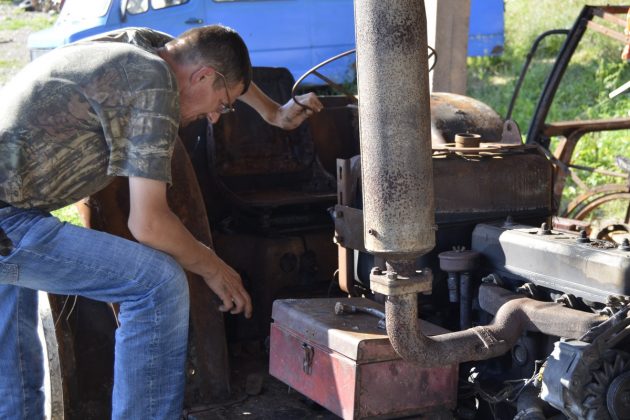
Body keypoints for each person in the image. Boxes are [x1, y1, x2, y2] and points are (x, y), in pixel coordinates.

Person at [0, 25, 323, 419]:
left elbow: (219, 57)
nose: (215, 118)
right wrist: (213, 266)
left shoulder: (147, 46)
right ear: (202, 76)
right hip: (7, 222)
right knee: (158, 284)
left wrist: (272, 112)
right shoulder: (156, 85)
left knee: (13, 332)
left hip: (10, 208)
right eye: (222, 104)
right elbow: (148, 223)